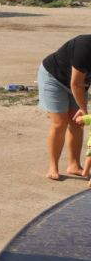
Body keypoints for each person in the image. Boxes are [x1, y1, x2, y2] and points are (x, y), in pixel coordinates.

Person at [37, 34, 91, 180]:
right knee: (60, 122)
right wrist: (85, 110)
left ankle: (74, 165)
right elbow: (76, 83)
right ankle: (53, 166)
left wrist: (83, 113)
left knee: (77, 123)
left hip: (79, 84)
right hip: (54, 78)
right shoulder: (84, 46)